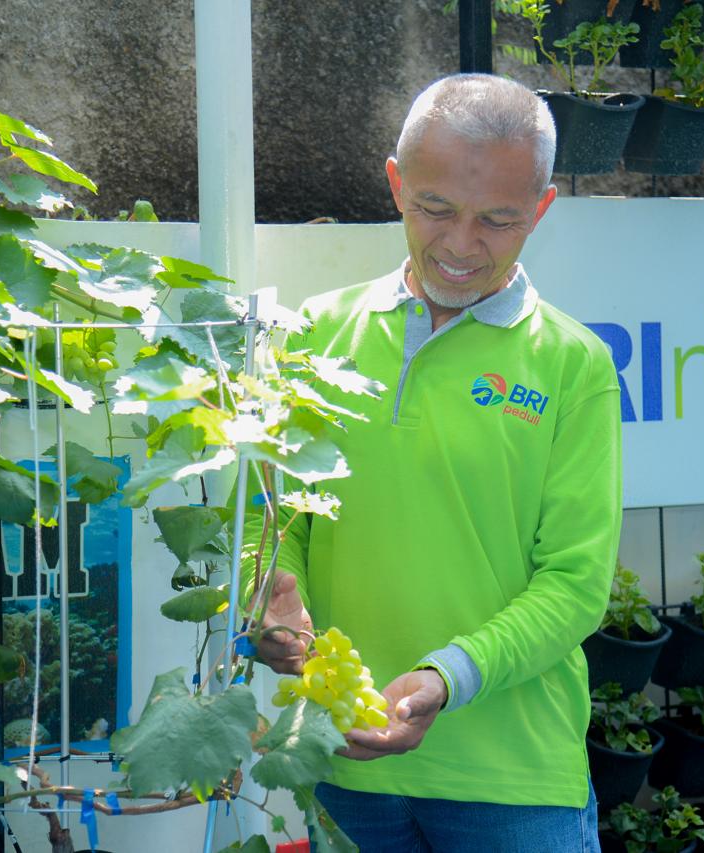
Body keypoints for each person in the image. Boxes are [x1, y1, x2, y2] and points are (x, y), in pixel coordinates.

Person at [247, 73, 622, 852]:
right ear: (395, 184)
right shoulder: (314, 334)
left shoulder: (574, 365)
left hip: (516, 783)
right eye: (436, 209)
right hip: (347, 772)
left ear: (542, 210)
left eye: (498, 221)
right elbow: (276, 519)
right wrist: (276, 603)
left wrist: (449, 675)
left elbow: (577, 583)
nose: (460, 244)